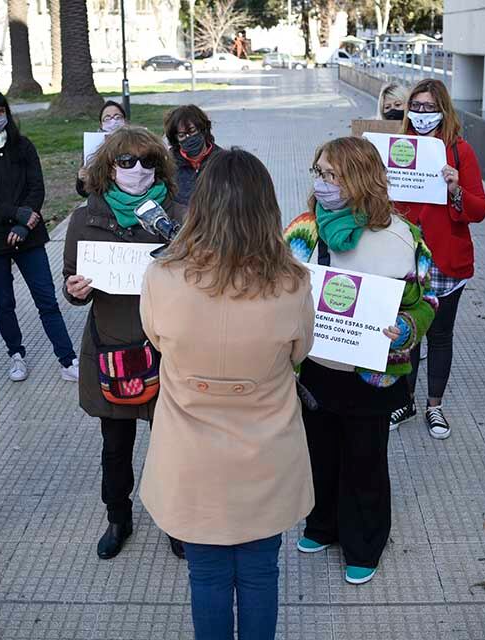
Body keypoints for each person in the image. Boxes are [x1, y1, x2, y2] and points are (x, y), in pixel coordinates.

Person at [139, 148, 315, 640]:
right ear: (267, 208)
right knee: (260, 572)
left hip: (190, 455)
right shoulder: (293, 283)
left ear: (201, 205)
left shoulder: (161, 277)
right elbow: (301, 349)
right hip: (266, 450)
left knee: (207, 575)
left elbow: (156, 339)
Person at [284, 136, 436, 585]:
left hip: (373, 376)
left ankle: (364, 541)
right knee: (320, 453)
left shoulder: (401, 236)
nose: (324, 183)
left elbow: (426, 300)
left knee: (365, 460)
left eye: (333, 174)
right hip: (315, 369)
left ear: (361, 177)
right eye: (319, 172)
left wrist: (407, 328)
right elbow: (277, 287)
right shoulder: (302, 230)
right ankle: (322, 525)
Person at [61, 126, 187, 561]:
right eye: (127, 162)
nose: (137, 170)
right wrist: (74, 290)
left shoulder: (180, 216)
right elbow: (72, 281)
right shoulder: (84, 219)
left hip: (168, 349)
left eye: (148, 162)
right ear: (108, 168)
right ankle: (119, 516)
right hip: (111, 346)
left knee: (170, 445)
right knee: (115, 446)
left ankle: (174, 519)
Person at [0, 89, 79, 383]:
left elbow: (36, 188)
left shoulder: (23, 146)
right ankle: (16, 355)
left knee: (46, 299)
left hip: (30, 236)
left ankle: (67, 358)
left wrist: (25, 224)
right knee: (4, 302)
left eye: (1, 111)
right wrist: (16, 215)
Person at [393, 78, 485, 436]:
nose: (421, 114)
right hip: (404, 259)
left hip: (446, 262)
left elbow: (479, 210)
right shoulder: (397, 150)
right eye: (415, 107)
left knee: (440, 336)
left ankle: (435, 405)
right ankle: (405, 402)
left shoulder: (461, 152)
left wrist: (455, 189)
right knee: (408, 334)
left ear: (444, 110)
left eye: (429, 107)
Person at [163, 105, 222, 205]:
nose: (188, 137)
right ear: (175, 139)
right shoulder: (168, 164)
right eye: (181, 135)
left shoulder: (222, 161)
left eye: (192, 131)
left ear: (203, 129)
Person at [76, 100, 127, 197]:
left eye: (118, 117)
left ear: (125, 120)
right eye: (107, 118)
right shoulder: (92, 146)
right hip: (103, 198)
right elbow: (84, 192)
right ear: (101, 124)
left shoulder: (137, 143)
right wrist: (82, 180)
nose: (113, 121)